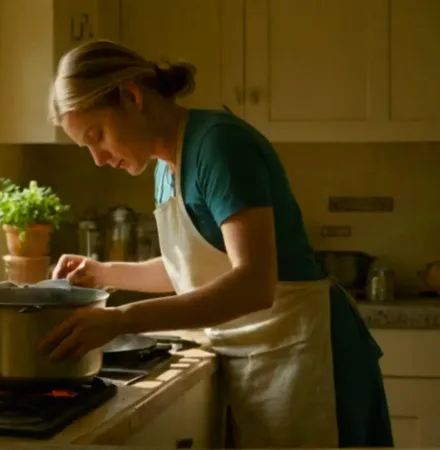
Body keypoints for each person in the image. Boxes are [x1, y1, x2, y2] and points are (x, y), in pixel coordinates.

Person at [39, 39, 394, 449]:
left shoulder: (219, 145)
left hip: (309, 357)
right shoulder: (165, 167)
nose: (98, 158)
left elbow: (253, 283)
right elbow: (191, 269)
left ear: (132, 97)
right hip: (258, 357)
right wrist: (104, 273)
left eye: (97, 135)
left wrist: (121, 319)